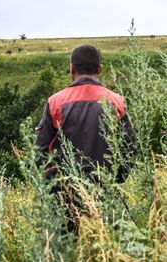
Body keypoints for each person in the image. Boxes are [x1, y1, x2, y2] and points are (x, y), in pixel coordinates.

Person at [36, 44, 137, 229]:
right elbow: (130, 148)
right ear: (100, 69)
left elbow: (40, 153)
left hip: (63, 194)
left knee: (64, 252)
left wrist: (52, 184)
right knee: (107, 248)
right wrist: (116, 178)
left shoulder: (55, 102)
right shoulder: (116, 101)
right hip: (104, 191)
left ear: (71, 68)